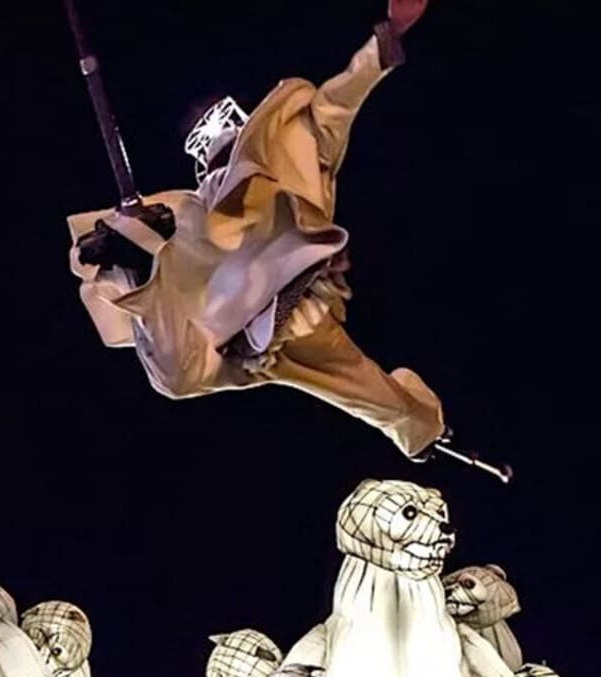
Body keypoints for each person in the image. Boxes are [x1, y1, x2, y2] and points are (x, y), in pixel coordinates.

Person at [65, 0, 445, 461]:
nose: (216, 137)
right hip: (226, 328)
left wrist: (384, 41)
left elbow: (333, 105)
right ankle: (163, 286)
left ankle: (422, 433)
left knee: (370, 392)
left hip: (291, 292)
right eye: (207, 139)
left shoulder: (281, 150)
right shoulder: (187, 206)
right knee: (173, 374)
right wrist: (121, 249)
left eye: (222, 128)